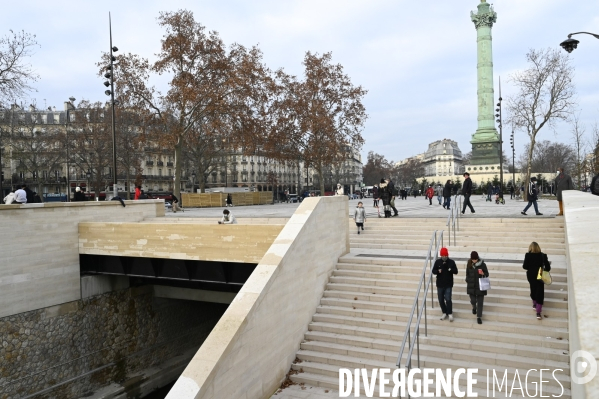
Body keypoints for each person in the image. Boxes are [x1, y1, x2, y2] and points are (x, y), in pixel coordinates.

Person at [522, 242, 551, 320]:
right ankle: (538, 312)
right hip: (540, 273)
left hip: (531, 274)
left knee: (533, 288)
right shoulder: (543, 255)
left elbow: (524, 266)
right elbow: (548, 268)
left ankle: (534, 303)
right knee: (540, 290)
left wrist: (531, 267)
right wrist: (542, 269)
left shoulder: (528, 255)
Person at [432, 247, 458, 322]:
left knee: (448, 299)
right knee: (440, 299)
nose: (444, 257)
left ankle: (449, 313)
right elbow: (433, 271)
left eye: (445, 255)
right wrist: (437, 271)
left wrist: (450, 269)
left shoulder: (451, 262)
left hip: (448, 284)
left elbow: (456, 271)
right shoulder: (437, 262)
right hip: (440, 284)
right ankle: (444, 312)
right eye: (443, 256)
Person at [465, 251, 489, 325]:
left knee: (480, 302)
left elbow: (487, 274)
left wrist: (483, 273)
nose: (474, 261)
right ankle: (474, 307)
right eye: (473, 259)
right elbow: (467, 274)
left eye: (475, 259)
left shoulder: (482, 264)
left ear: (477, 258)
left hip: (480, 286)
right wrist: (467, 280)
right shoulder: (469, 264)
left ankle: (479, 317)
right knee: (473, 300)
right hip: (471, 285)